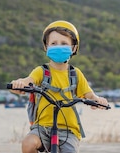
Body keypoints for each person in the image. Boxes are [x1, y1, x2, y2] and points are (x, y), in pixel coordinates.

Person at [10, 20, 109, 153]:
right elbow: (28, 81)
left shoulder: (75, 74)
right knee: (28, 144)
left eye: (64, 43)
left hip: (69, 129)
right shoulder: (41, 71)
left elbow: (89, 95)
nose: (58, 46)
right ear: (46, 46)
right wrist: (19, 83)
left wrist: (98, 101)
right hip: (42, 128)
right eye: (53, 43)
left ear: (73, 48)